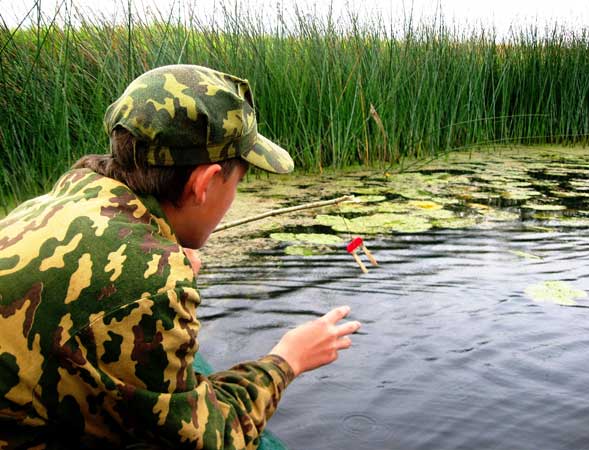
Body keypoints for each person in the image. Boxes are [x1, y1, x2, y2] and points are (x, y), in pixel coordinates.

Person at [0, 64, 361, 449]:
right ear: (204, 183)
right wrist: (287, 360)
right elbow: (213, 439)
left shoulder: (66, 196)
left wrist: (161, 257)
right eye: (237, 182)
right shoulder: (151, 283)